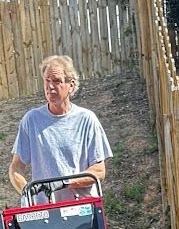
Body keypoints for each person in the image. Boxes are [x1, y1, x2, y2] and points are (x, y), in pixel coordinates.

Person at [9, 54, 111, 197]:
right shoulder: (31, 120)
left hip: (82, 209)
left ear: (71, 86)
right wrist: (27, 192)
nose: (50, 86)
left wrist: (65, 182)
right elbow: (16, 167)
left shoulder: (87, 119)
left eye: (57, 81)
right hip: (46, 212)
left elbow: (99, 171)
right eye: (47, 80)